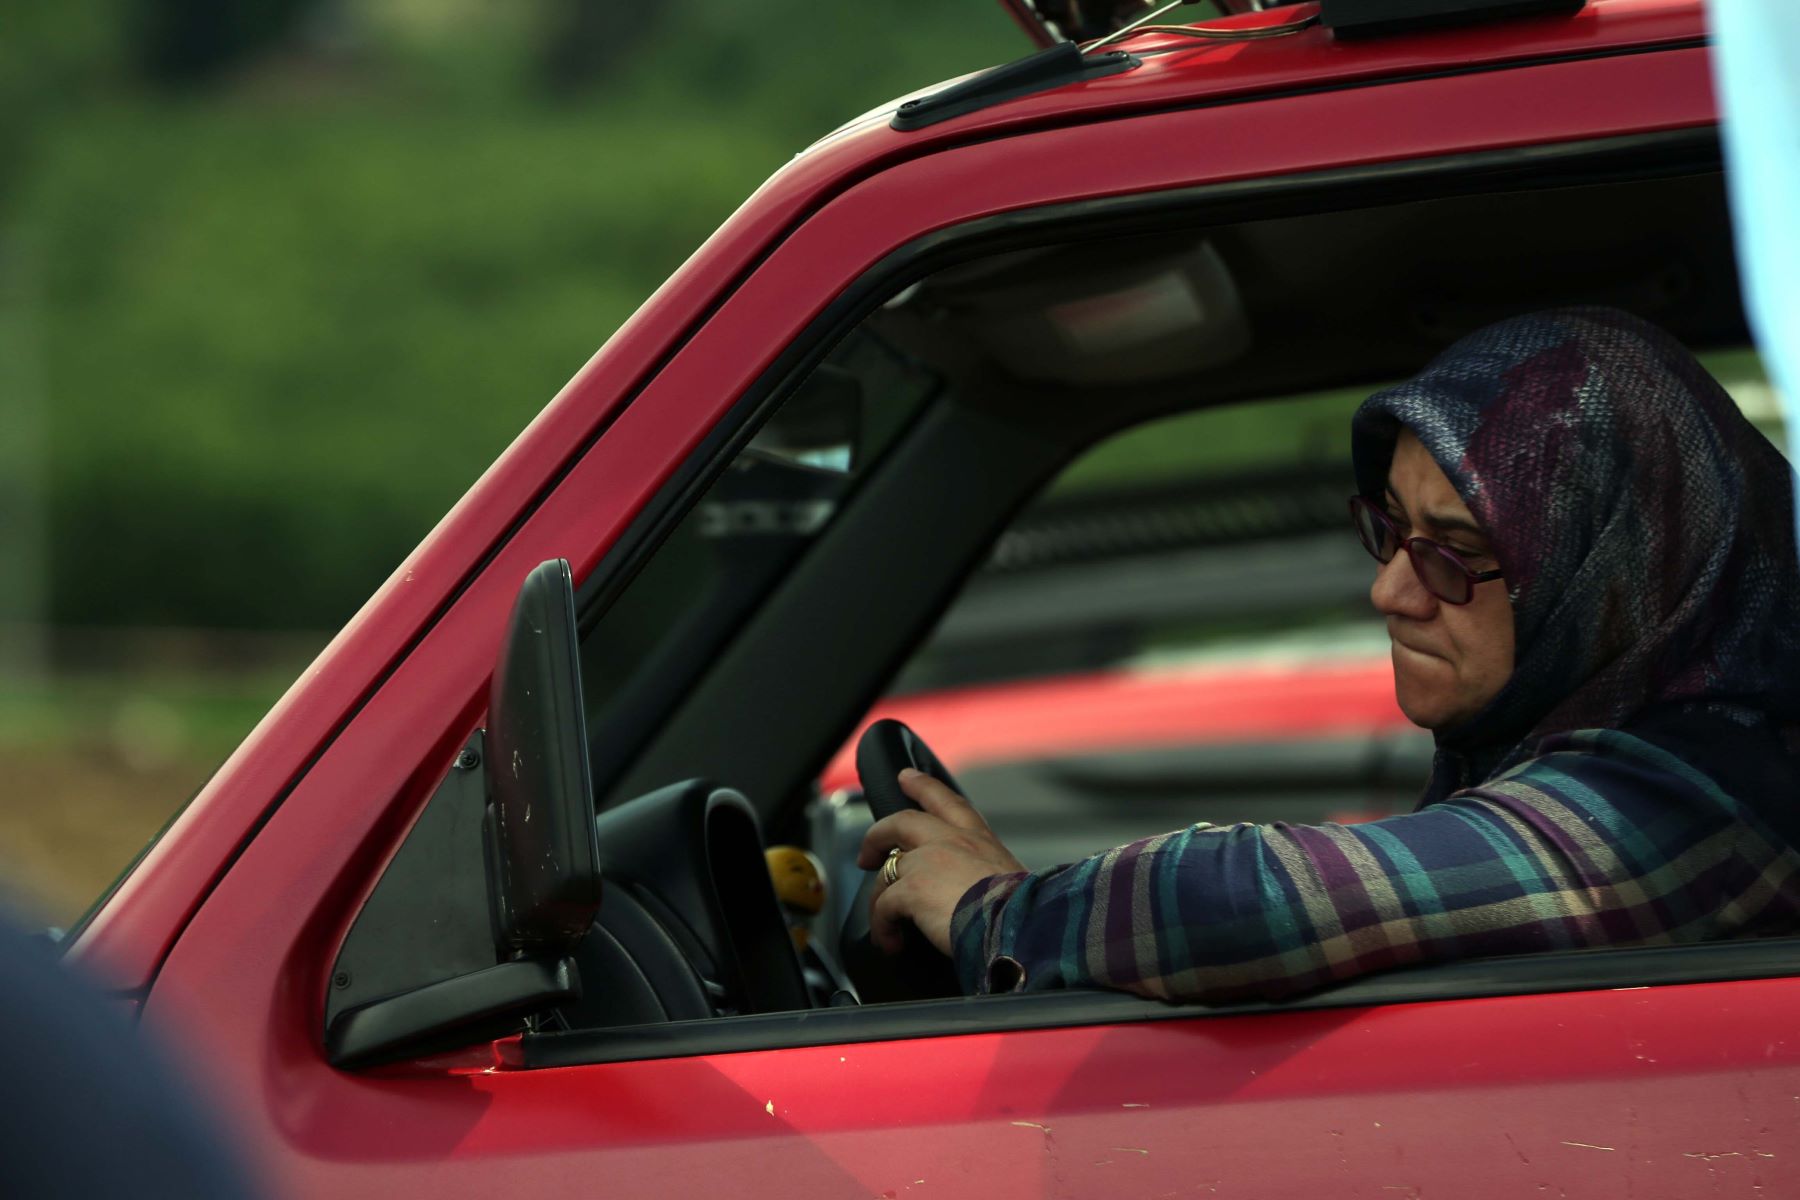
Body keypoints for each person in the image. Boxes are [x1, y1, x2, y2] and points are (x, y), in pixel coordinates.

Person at [858, 306, 1800, 1001]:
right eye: (1388, 531)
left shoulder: (1699, 791)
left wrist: (998, 910)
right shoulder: (1580, 754)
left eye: (1456, 553)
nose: (1391, 590)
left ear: (1614, 575)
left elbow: (1253, 903)